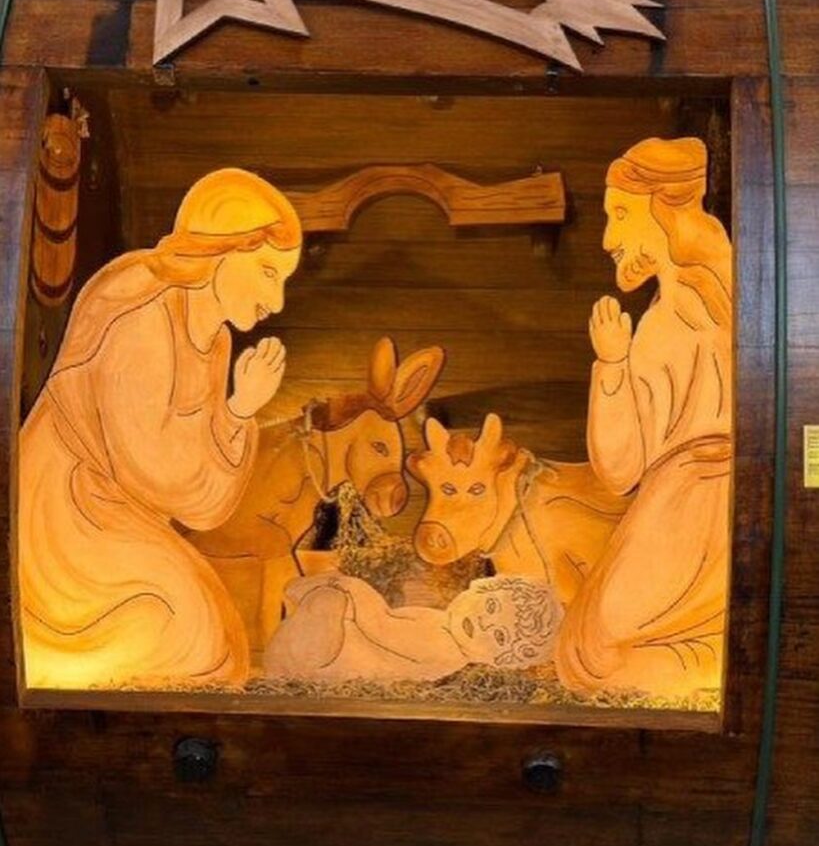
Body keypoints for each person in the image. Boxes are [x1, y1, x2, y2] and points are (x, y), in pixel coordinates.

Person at [19, 168, 302, 690]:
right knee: (191, 633)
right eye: (268, 272)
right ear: (222, 250)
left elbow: (205, 507)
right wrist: (239, 409)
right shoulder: (143, 316)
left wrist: (237, 412)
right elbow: (159, 474)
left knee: (212, 633)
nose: (276, 300)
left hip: (118, 518)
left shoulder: (214, 341)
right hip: (65, 518)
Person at [555, 136, 732, 698]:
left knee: (594, 656)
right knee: (590, 651)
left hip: (692, 506)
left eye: (621, 215)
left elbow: (619, 468)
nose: (609, 239)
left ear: (664, 209)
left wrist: (611, 364)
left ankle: (711, 664)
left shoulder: (670, 323)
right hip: (705, 502)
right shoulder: (721, 300)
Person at [264, 572, 561, 683]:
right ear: (480, 587)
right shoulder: (443, 626)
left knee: (328, 598)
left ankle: (302, 601)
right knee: (328, 596)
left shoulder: (443, 645)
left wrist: (352, 588)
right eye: (492, 606)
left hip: (319, 661)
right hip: (326, 651)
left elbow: (381, 626)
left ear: (499, 660)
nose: (484, 622)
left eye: (499, 635)